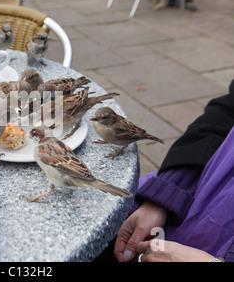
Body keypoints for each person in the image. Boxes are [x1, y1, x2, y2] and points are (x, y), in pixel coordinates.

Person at [95, 79, 234, 262]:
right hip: (197, 192)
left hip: (210, 241)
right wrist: (165, 196)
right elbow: (225, 113)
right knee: (100, 226)